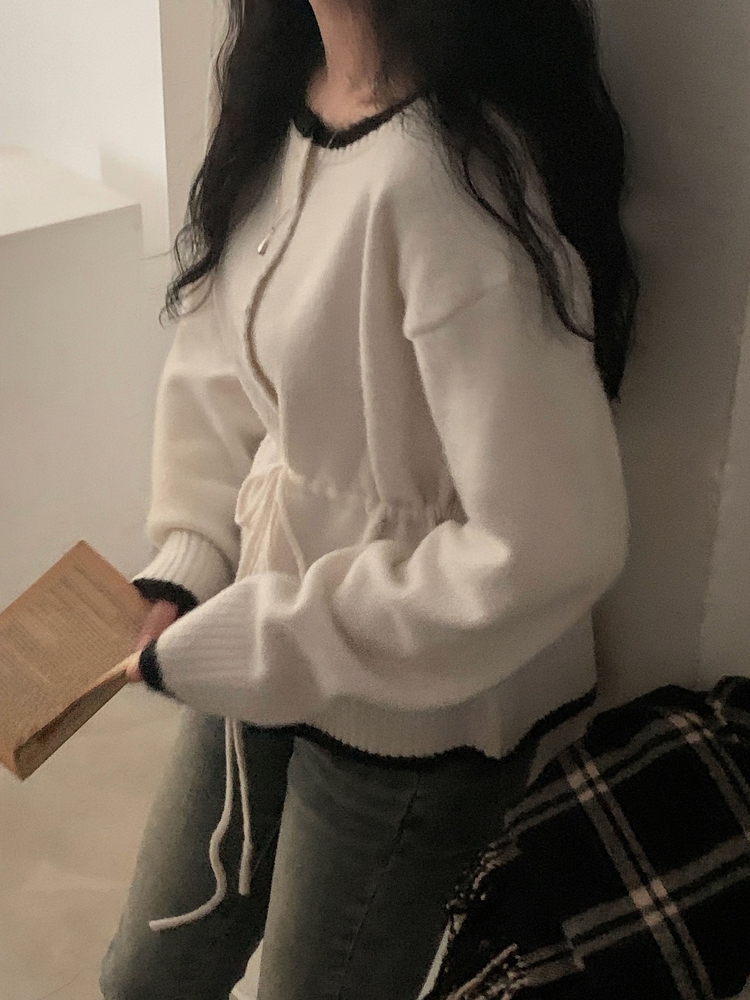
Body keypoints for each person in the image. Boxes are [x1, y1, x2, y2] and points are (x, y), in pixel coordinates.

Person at [99, 0, 639, 997]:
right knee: (148, 974)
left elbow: (556, 541)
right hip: (261, 625)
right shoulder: (278, 95)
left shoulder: (450, 181)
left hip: (417, 707)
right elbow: (219, 359)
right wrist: (187, 559)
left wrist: (272, 636)